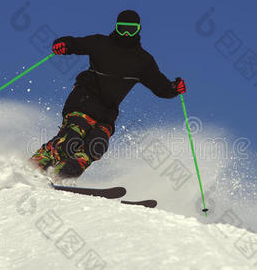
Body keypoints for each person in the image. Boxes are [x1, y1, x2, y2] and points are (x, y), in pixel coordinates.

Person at [30, 9, 187, 179]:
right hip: (83, 101)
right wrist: (63, 44)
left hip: (107, 113)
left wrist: (173, 88)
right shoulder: (101, 43)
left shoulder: (143, 61)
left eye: (131, 29)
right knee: (72, 138)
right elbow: (76, 43)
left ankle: (61, 175)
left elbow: (160, 86)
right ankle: (35, 165)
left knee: (96, 145)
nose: (126, 34)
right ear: (116, 27)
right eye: (122, 28)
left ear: (138, 30)